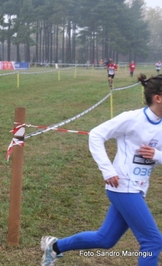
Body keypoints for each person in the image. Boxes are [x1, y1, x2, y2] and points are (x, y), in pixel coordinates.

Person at [41, 74, 162, 266]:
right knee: (152, 241)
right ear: (158, 97)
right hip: (122, 186)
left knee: (105, 239)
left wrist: (156, 154)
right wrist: (107, 170)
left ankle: (54, 247)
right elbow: (96, 135)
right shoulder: (132, 119)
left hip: (138, 188)